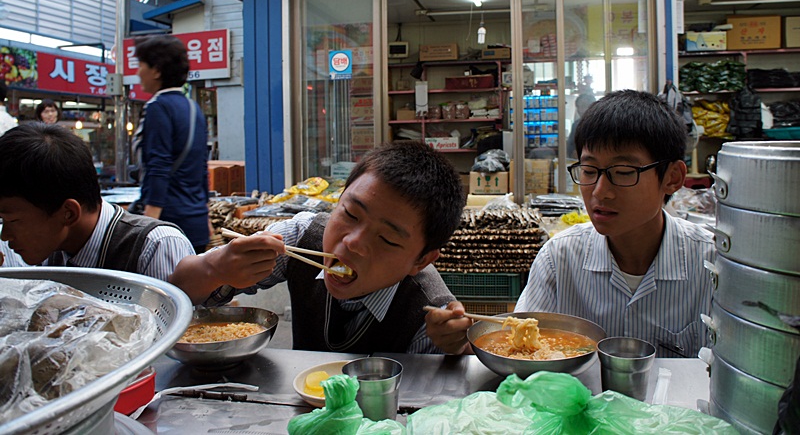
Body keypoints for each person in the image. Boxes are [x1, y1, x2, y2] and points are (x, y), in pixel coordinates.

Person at [426, 90, 714, 358]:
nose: (600, 191)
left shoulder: (712, 266)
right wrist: (460, 344)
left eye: (623, 172)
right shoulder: (559, 259)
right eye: (589, 170)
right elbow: (516, 347)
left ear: (672, 178)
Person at [170, 141, 466, 354]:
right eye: (350, 214)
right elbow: (177, 294)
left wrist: (458, 349)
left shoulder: (432, 315)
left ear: (422, 259)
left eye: (387, 239)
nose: (353, 243)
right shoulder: (301, 236)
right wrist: (216, 268)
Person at [0, 122, 195, 281]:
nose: (5, 236)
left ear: (68, 213)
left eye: (12, 221)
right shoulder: (33, 251)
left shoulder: (155, 247)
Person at [132, 34, 210, 254]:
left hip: (167, 223)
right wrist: (205, 217)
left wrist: (148, 225)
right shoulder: (194, 108)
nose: (138, 72)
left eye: (141, 65)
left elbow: (159, 165)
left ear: (156, 70)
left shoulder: (157, 106)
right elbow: (201, 166)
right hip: (196, 221)